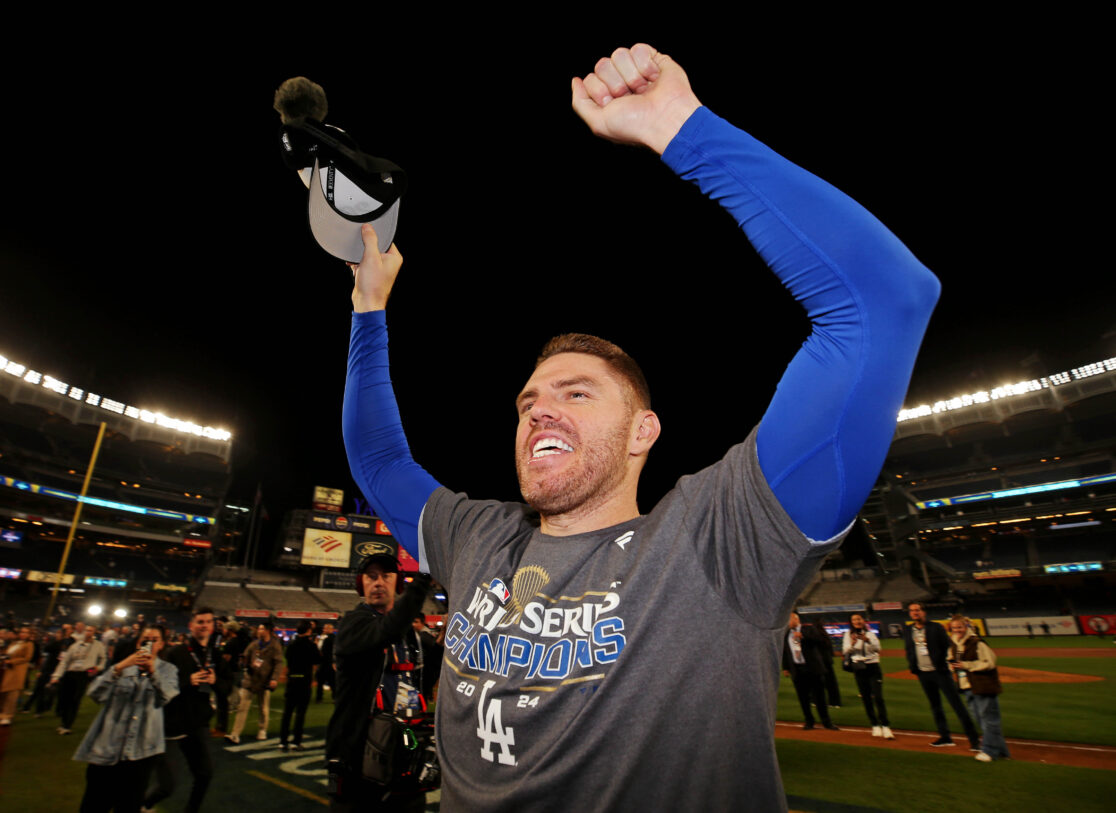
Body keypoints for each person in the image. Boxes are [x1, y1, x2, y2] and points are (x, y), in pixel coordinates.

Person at [339, 43, 939, 811]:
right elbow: (378, 456)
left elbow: (884, 301)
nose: (540, 408)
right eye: (528, 400)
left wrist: (681, 128)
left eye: (578, 393)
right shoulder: (477, 537)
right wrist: (368, 309)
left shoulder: (721, 542)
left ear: (643, 431)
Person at [325, 554, 431, 811]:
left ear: (397, 584)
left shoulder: (409, 635)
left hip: (401, 751)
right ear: (362, 584)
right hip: (358, 757)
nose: (378, 582)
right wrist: (425, 576)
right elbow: (387, 629)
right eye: (371, 577)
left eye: (386, 576)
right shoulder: (354, 624)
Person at [73, 625, 178, 813]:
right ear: (138, 644)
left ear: (161, 645)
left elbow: (166, 696)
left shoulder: (168, 670)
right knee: (94, 804)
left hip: (141, 752)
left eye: (155, 640)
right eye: (145, 639)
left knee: (128, 806)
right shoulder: (123, 666)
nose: (150, 643)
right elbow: (95, 693)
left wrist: (153, 672)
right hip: (107, 747)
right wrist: (119, 667)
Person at [143, 607, 219, 813]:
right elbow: (162, 687)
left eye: (208, 622)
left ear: (213, 626)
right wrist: (188, 681)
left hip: (198, 724)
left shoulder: (214, 654)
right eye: (200, 622)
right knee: (167, 786)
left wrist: (216, 680)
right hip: (172, 726)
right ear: (191, 625)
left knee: (205, 774)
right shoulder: (175, 653)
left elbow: (226, 684)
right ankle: (143, 804)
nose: (204, 625)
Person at [903, 603, 979, 749]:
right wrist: (913, 666)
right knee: (935, 706)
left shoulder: (935, 627)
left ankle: (974, 740)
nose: (915, 613)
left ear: (923, 612)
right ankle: (945, 737)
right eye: (912, 611)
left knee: (957, 705)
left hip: (940, 672)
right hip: (922, 673)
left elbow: (948, 647)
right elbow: (909, 649)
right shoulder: (908, 630)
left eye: (917, 610)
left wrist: (949, 665)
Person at [948, 615, 1010, 762]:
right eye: (954, 628)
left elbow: (989, 662)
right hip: (967, 686)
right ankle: (1002, 751)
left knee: (989, 719)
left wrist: (967, 665)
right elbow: (950, 659)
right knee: (982, 719)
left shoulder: (977, 642)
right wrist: (951, 665)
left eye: (960, 627)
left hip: (983, 685)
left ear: (966, 627)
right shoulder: (954, 644)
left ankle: (989, 751)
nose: (957, 630)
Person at [782, 613, 837, 731]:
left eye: (789, 620)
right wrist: (786, 667)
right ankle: (809, 721)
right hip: (797, 669)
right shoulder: (786, 634)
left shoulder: (808, 629)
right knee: (803, 698)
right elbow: (786, 653)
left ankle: (827, 722)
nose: (788, 623)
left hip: (813, 668)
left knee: (820, 697)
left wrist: (803, 637)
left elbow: (820, 641)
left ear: (796, 620)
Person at [841, 613, 893, 739]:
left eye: (859, 619)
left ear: (863, 621)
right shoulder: (848, 635)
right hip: (859, 668)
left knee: (878, 697)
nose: (857, 621)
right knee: (866, 698)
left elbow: (878, 649)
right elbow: (845, 651)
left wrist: (867, 641)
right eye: (854, 620)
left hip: (873, 666)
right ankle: (874, 724)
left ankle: (885, 725)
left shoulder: (870, 634)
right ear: (851, 622)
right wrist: (853, 644)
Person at [229, 623, 281, 743]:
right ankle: (235, 733)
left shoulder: (275, 646)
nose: (259, 630)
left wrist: (274, 679)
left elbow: (278, 663)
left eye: (262, 628)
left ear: (268, 631)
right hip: (251, 680)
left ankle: (262, 729)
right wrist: (243, 662)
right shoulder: (254, 644)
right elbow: (245, 657)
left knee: (263, 707)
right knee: (242, 707)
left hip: (265, 680)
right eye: (259, 628)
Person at [52, 624, 107, 735]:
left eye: (91, 630)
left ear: (94, 633)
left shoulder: (98, 645)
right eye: (87, 630)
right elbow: (65, 661)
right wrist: (56, 676)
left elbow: (103, 659)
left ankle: (67, 725)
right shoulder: (75, 645)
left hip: (83, 674)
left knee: (75, 700)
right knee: (64, 699)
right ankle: (63, 722)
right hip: (70, 673)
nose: (88, 632)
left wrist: (97, 668)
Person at [281, 619, 320, 751]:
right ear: (309, 631)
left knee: (287, 713)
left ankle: (283, 741)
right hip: (304, 681)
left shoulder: (291, 645)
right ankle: (296, 742)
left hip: (292, 679)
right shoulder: (310, 645)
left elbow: (288, 659)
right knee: (300, 713)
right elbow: (317, 660)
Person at [0, 626, 33, 725]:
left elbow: (27, 658)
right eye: (22, 632)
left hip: (16, 670)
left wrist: (11, 661)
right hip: (6, 670)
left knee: (12, 694)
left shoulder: (29, 644)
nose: (23, 634)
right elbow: (7, 653)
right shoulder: (14, 643)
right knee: (2, 692)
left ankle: (8, 715)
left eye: (26, 632)